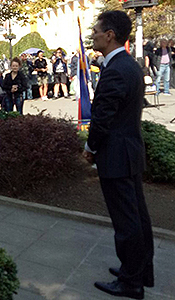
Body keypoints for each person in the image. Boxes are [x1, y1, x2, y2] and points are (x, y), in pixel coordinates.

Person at [83, 10, 154, 299]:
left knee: (127, 222)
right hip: (129, 153)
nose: (94, 35)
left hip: (116, 156)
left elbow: (103, 118)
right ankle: (138, 271)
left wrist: (90, 148)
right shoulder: (129, 65)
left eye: (97, 31)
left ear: (109, 35)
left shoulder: (115, 69)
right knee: (138, 218)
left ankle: (131, 282)